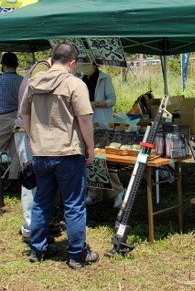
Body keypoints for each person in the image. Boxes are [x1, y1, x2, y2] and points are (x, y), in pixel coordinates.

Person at [21, 43, 99, 269]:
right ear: (72, 63)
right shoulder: (75, 83)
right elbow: (84, 118)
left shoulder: (33, 83)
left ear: (53, 58)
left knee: (41, 202)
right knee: (73, 205)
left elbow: (24, 115)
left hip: (41, 153)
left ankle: (37, 249)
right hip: (68, 152)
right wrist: (90, 148)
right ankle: (76, 254)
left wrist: (33, 138)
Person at [14, 57, 51, 242]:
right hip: (28, 132)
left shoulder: (38, 68)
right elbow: (36, 101)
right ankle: (30, 228)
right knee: (31, 182)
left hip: (29, 132)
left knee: (37, 182)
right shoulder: (42, 70)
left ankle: (38, 224)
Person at [79, 62, 124, 208]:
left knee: (105, 160)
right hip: (87, 124)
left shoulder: (104, 78)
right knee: (91, 160)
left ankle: (118, 192)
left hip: (103, 125)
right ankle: (94, 194)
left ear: (93, 65)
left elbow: (112, 101)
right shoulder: (80, 78)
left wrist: (95, 104)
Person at [0, 53, 23, 186]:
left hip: (2, 117)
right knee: (16, 152)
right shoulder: (22, 80)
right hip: (18, 117)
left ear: (4, 65)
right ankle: (14, 180)